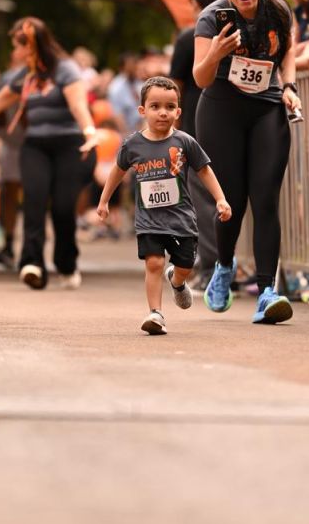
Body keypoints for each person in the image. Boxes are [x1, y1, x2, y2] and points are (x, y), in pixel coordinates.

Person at [193, 0, 302, 325]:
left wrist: (289, 86)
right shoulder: (211, 17)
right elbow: (200, 77)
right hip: (221, 110)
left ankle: (267, 291)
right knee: (232, 202)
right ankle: (223, 267)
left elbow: (288, 50)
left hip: (266, 108)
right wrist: (217, 52)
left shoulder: (278, 10)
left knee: (266, 199)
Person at [0, 17, 98, 290]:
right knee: (34, 201)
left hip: (70, 145)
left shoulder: (65, 69)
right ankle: (32, 264)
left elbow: (79, 106)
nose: (14, 52)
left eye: (16, 46)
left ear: (31, 46)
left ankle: (66, 263)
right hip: (35, 146)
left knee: (62, 207)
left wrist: (90, 132)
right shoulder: (25, 76)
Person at [97, 76, 231, 336]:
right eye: (155, 106)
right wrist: (104, 200)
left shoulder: (184, 142)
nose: (162, 112)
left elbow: (204, 171)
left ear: (178, 112)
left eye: (170, 107)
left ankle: (177, 281)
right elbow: (117, 172)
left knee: (185, 265)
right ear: (142, 110)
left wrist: (220, 199)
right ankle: (155, 313)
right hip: (149, 220)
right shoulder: (132, 144)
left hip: (181, 219)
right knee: (154, 263)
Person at [170, 0, 225, 289]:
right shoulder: (236, 31)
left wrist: (171, 127)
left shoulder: (189, 37)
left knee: (202, 199)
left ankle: (212, 267)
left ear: (196, 5)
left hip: (196, 126)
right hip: (229, 123)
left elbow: (175, 84)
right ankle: (229, 264)